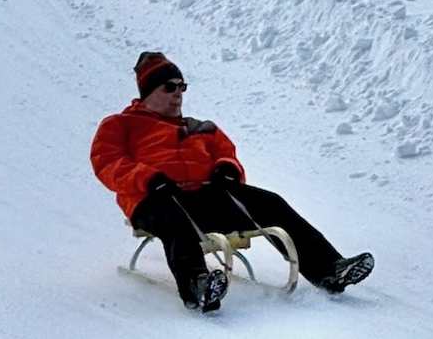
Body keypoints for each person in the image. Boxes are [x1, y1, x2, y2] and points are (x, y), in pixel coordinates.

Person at [90, 51, 374, 312]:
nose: (178, 93)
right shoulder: (120, 124)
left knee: (269, 202)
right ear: (149, 92)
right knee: (173, 219)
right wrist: (149, 178)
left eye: (182, 86)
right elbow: (107, 162)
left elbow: (227, 153)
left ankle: (330, 270)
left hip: (206, 196)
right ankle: (197, 286)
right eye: (169, 87)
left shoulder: (201, 127)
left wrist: (226, 169)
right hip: (155, 198)